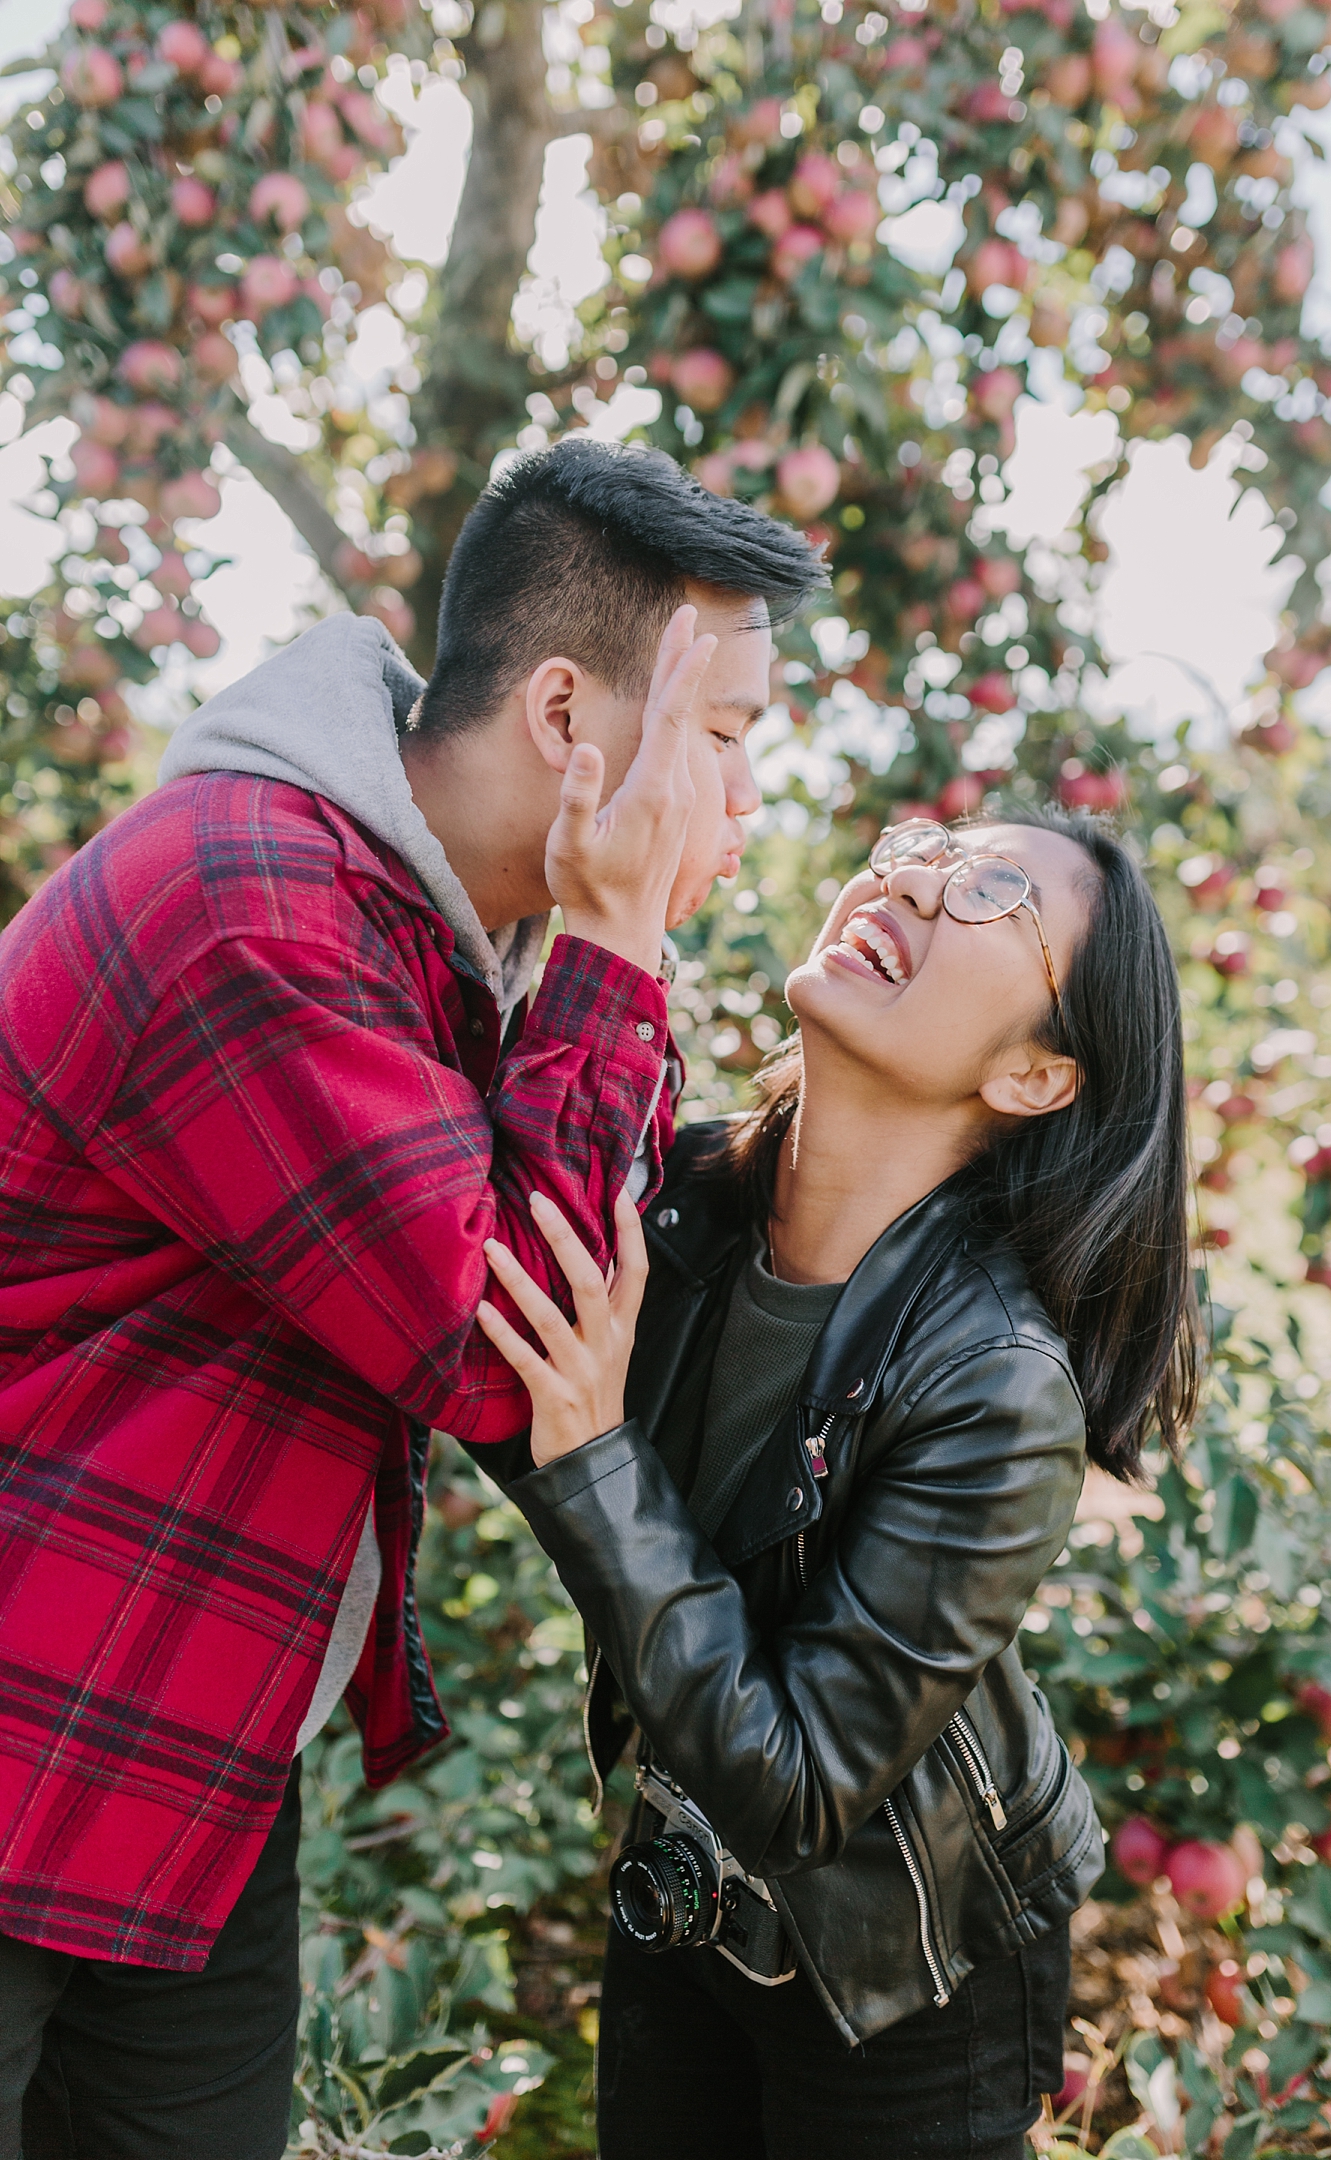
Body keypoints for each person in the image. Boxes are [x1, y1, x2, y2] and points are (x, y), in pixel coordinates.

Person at [0, 438, 826, 2160]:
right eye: (727, 739)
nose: (744, 803)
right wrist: (616, 946)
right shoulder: (257, 903)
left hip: (174, 1752)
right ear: (564, 721)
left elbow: (605, 1278)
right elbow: (498, 1347)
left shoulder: (439, 935)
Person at [475, 810, 1201, 2160]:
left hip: (907, 1966)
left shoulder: (993, 1379)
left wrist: (590, 1458)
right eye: (922, 842)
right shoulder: (680, 1205)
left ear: (1039, 1076)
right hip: (689, 1888)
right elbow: (472, 1334)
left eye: (990, 890)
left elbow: (803, 1783)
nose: (912, 877)